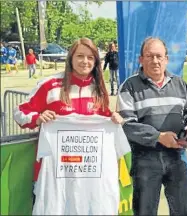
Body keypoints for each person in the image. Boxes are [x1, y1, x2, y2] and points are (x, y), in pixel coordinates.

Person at [13, 38, 125, 213]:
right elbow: (19, 112)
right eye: (80, 56)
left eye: (90, 57)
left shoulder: (99, 89)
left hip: (89, 178)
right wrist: (38, 118)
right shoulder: (49, 85)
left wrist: (113, 117)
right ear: (70, 58)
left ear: (96, 61)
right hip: (55, 177)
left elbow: (103, 120)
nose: (85, 61)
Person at [117, 37, 187, 216]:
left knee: (185, 211)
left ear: (166, 59)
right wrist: (158, 137)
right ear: (141, 59)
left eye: (159, 56)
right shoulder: (129, 87)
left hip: (177, 158)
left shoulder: (180, 84)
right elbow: (126, 125)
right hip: (145, 159)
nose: (155, 61)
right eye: (149, 56)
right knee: (145, 212)